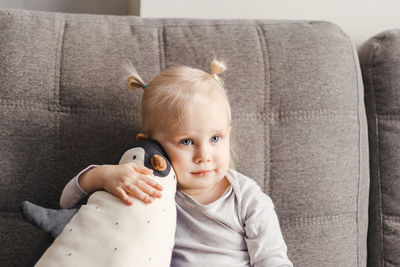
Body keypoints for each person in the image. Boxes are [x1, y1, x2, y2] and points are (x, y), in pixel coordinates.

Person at [60, 59, 293, 266]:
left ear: (228, 134)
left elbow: (272, 259)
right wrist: (102, 176)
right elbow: (66, 201)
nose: (204, 155)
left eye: (215, 138)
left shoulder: (247, 198)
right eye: (187, 141)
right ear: (151, 145)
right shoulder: (149, 186)